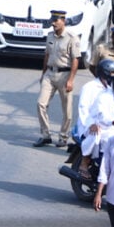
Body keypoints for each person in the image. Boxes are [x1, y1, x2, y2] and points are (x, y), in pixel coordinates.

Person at [34, 10, 80, 148]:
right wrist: (43, 74)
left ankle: (63, 136)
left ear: (63, 21)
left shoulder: (72, 38)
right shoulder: (50, 36)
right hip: (50, 73)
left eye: (56, 21)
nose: (53, 23)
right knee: (41, 104)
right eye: (52, 21)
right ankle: (45, 135)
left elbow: (75, 60)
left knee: (67, 109)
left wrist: (71, 80)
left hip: (64, 75)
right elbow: (47, 56)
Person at [75, 59, 114, 176]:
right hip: (89, 123)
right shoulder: (89, 87)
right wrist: (90, 124)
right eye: (113, 72)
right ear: (105, 72)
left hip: (108, 122)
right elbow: (83, 108)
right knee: (96, 134)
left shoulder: (111, 88)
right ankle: (84, 163)